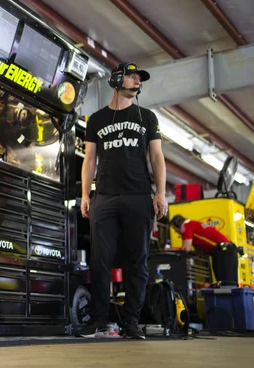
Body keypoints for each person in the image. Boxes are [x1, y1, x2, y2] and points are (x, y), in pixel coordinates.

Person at [79, 62, 168, 339]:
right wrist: (85, 194)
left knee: (138, 261)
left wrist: (161, 193)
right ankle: (98, 320)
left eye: (139, 78)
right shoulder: (96, 120)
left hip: (138, 195)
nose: (137, 81)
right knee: (99, 261)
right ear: (116, 80)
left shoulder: (147, 117)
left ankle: (131, 322)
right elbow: (89, 159)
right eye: (131, 77)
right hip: (103, 196)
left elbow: (156, 157)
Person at [170, 215, 238, 285]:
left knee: (225, 282)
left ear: (178, 224)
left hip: (222, 251)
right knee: (230, 281)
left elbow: (186, 249)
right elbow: (200, 250)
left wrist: (170, 249)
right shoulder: (195, 224)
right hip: (228, 249)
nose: (175, 231)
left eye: (174, 228)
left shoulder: (185, 226)